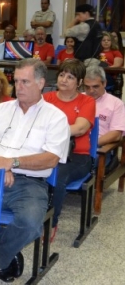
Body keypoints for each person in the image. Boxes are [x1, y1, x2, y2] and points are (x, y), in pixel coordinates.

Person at [0, 59, 69, 282]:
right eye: (16, 81)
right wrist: (0, 164)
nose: (18, 87)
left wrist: (12, 163)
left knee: (31, 223)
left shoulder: (55, 117)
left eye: (25, 81)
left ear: (41, 83)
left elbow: (51, 159)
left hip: (30, 184)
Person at [43, 60, 95, 237]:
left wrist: (51, 132)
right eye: (62, 75)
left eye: (70, 77)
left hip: (77, 156)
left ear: (79, 82)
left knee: (56, 175)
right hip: (48, 151)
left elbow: (79, 128)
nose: (64, 79)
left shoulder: (86, 101)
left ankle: (51, 223)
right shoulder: (47, 98)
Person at [83, 65, 125, 167]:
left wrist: (89, 144)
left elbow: (116, 134)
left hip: (99, 149)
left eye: (95, 86)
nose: (91, 91)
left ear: (104, 83)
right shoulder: (79, 99)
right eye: (87, 87)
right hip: (74, 146)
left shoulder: (116, 103)